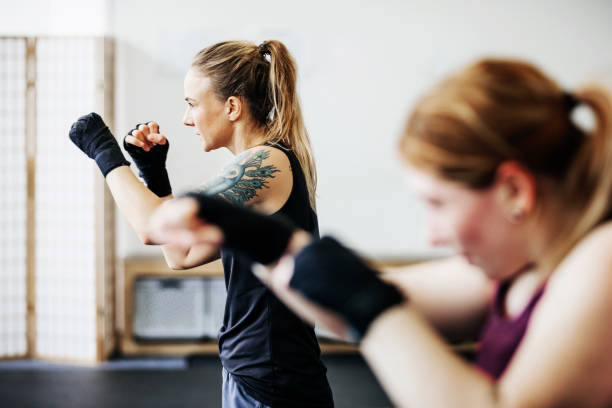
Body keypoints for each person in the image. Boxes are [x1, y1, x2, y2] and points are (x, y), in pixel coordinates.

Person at [145, 58, 612, 407]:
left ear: (515, 190)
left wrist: (368, 305)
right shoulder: (518, 270)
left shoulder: (599, 264)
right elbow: (348, 308)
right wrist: (269, 244)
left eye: (439, 204)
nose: (432, 236)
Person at [69, 40, 334, 408]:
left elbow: (152, 228)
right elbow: (181, 254)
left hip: (273, 381)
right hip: (252, 373)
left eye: (192, 104)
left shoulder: (266, 163)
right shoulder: (260, 164)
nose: (186, 119)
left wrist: (103, 151)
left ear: (232, 107)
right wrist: (154, 174)